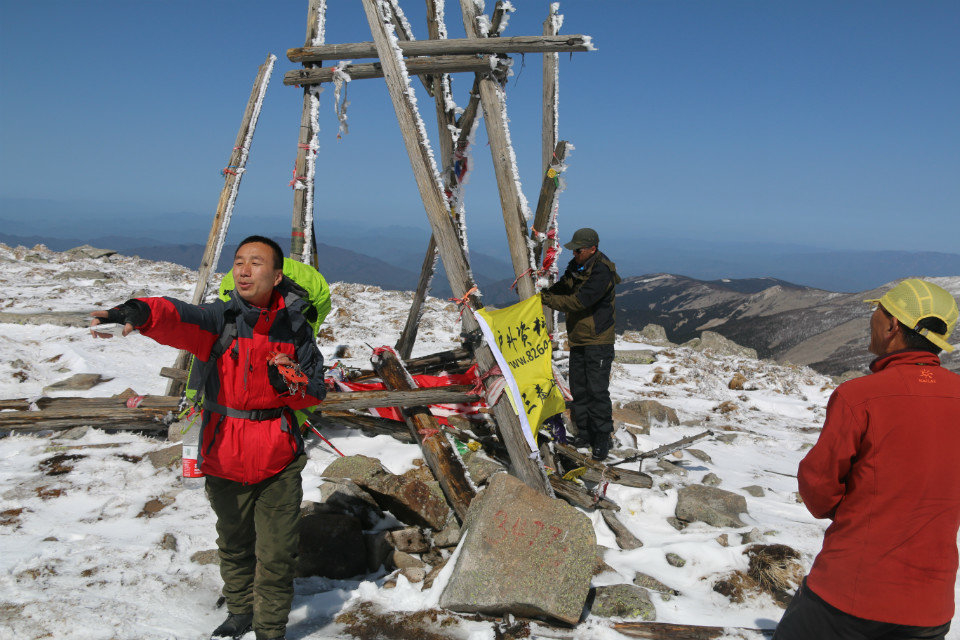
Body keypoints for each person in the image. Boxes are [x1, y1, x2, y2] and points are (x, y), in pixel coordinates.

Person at [91, 235, 326, 640]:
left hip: (279, 458)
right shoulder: (221, 321)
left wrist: (289, 383)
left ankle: (270, 631)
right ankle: (239, 612)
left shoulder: (297, 329)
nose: (245, 269)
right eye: (238, 262)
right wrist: (140, 311)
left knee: (276, 555)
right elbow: (179, 317)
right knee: (234, 545)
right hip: (225, 453)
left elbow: (315, 392)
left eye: (256, 262)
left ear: (276, 274)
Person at [774, 278, 960, 640]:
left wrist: (855, 514)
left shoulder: (859, 396)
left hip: (849, 591)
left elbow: (818, 485)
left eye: (878, 311)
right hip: (929, 606)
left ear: (892, 326)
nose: (871, 319)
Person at [541, 227, 621, 460]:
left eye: (578, 250)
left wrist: (547, 299)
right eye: (574, 250)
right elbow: (565, 285)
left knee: (597, 390)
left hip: (598, 340)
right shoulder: (578, 265)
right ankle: (584, 433)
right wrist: (544, 290)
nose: (574, 254)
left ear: (592, 249)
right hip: (578, 338)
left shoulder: (602, 271)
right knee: (579, 388)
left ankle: (602, 438)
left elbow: (580, 301)